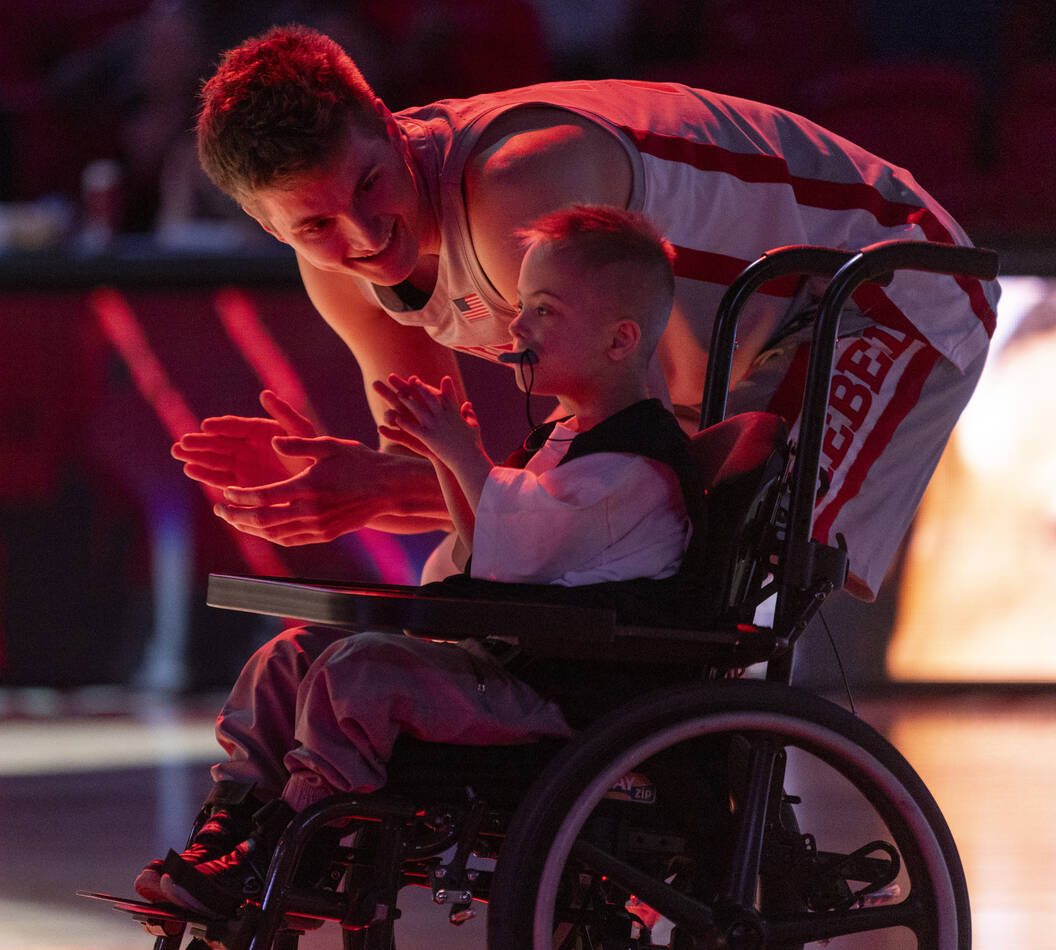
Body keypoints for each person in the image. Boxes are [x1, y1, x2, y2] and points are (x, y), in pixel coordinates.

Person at [172, 24, 999, 603]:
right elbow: (465, 493)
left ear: (392, 129)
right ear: (270, 231)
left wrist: (377, 489)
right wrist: (345, 485)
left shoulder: (515, 191)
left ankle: (706, 814)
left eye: (368, 185)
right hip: (730, 344)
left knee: (712, 553)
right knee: (482, 574)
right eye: (315, 226)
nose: (363, 235)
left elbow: (633, 468)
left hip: (880, 283)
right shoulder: (344, 280)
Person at [136, 204, 695, 915]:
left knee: (361, 673)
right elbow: (488, 550)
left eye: (544, 312)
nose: (518, 329)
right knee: (289, 657)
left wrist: (461, 456)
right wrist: (449, 461)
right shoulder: (564, 441)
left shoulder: (632, 466)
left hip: (567, 696)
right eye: (523, 307)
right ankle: (233, 820)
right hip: (511, 664)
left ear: (621, 341)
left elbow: (513, 560)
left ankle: (293, 849)